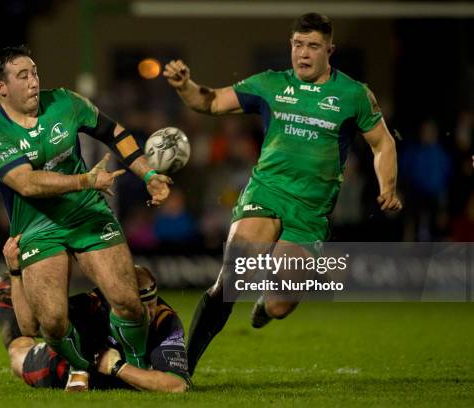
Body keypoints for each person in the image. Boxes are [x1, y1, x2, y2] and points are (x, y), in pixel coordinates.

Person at [163, 13, 402, 375]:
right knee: (232, 277)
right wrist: (185, 86)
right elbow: (210, 102)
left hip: (310, 213)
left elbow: (382, 143)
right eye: (297, 44)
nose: (303, 53)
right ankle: (181, 371)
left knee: (279, 305)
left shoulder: (353, 94)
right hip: (267, 193)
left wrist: (388, 187)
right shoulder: (270, 84)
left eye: (313, 46)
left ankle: (265, 306)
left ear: (329, 50)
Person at [0, 45, 172, 389]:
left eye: (34, 72)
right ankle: (79, 365)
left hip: (86, 213)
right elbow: (26, 183)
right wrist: (86, 180)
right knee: (50, 322)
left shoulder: (66, 102)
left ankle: (137, 367)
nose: (34, 81)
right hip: (37, 226)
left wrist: (148, 175)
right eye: (23, 76)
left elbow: (115, 133)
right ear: (0, 87)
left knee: (127, 300)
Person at [0, 237, 190, 393]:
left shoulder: (166, 320)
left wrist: (117, 367)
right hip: (71, 365)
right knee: (18, 355)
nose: (148, 312)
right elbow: (32, 325)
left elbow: (177, 386)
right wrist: (16, 274)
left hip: (110, 372)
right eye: (140, 305)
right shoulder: (93, 303)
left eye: (153, 302)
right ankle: (0, 295)